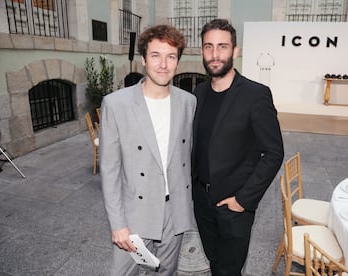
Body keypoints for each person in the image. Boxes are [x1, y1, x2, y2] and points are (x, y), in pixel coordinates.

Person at [100, 25, 197, 275]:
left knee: (166, 272)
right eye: (156, 55)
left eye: (171, 56)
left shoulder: (188, 102)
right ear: (143, 59)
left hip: (174, 212)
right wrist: (118, 224)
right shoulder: (116, 104)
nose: (163, 64)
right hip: (135, 213)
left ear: (178, 61)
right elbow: (109, 170)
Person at [191, 19, 284, 275]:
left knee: (229, 270)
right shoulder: (198, 93)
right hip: (201, 201)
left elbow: (274, 153)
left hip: (234, 206)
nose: (215, 54)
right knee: (214, 262)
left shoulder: (256, 94)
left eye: (222, 46)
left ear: (235, 50)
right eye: (208, 46)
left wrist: (243, 200)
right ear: (201, 51)